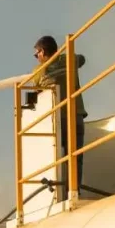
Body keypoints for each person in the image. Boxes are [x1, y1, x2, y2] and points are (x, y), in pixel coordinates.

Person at [33, 35, 87, 198]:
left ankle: (60, 194)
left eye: (37, 54)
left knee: (57, 157)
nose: (37, 58)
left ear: (42, 52)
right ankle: (75, 191)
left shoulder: (39, 72)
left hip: (59, 119)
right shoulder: (70, 58)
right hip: (76, 115)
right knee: (76, 157)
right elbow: (82, 59)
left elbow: (36, 89)